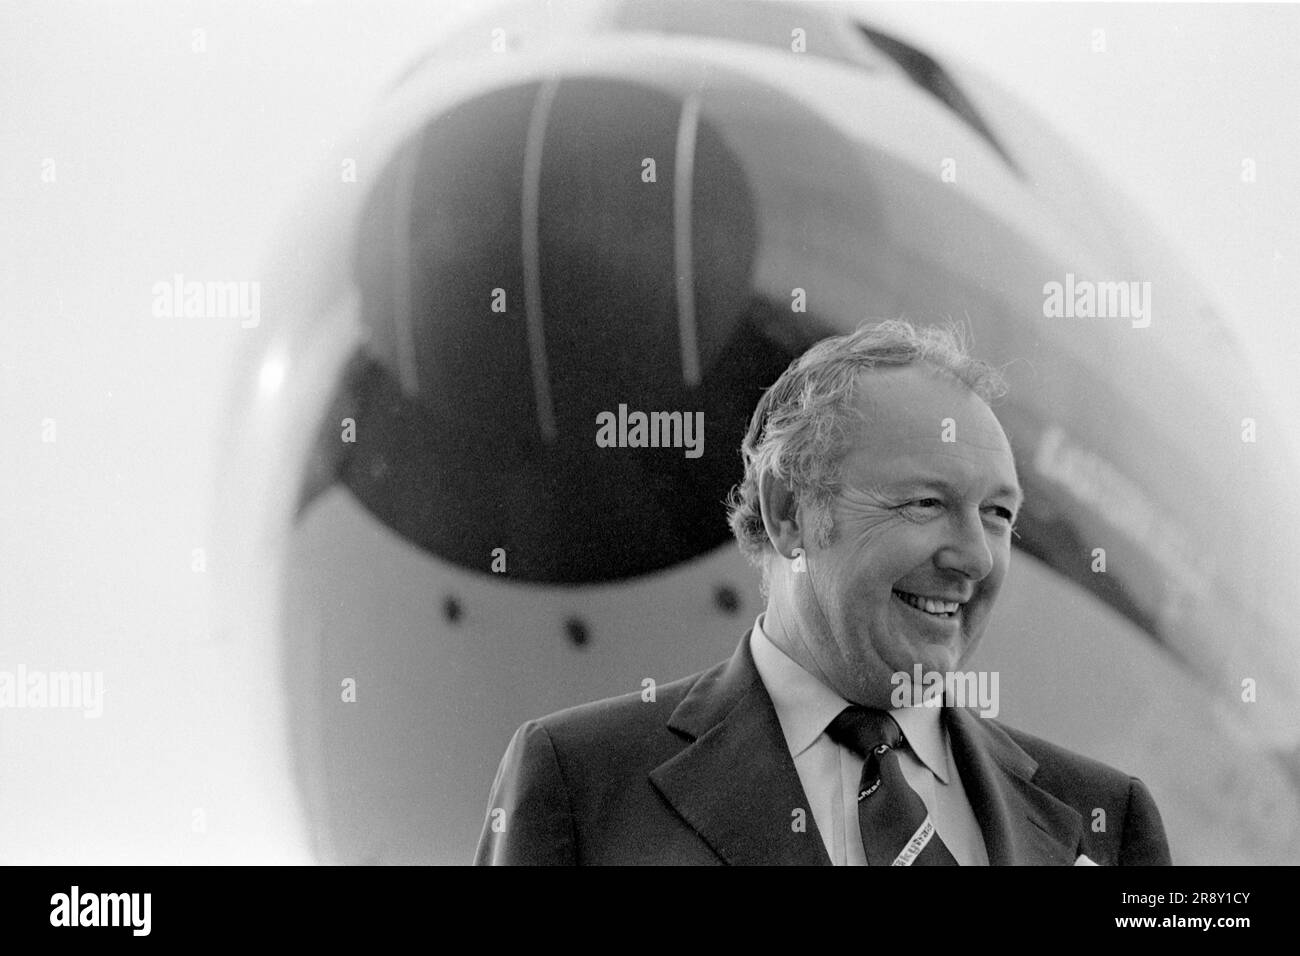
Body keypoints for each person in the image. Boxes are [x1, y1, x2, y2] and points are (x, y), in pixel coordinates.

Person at [474, 320, 1172, 865]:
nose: (974, 558)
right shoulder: (582, 783)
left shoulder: (1105, 817)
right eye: (926, 503)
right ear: (789, 514)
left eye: (998, 514)